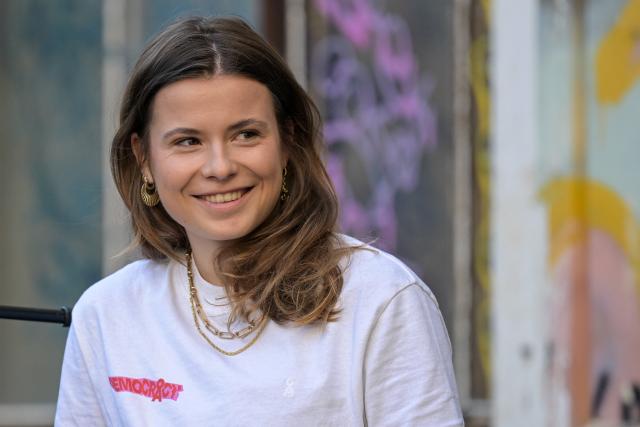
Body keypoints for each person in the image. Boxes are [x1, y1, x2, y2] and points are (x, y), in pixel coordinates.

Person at [55, 16, 463, 426]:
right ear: (144, 159)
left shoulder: (379, 299)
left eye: (246, 134)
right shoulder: (106, 316)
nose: (219, 167)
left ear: (287, 141)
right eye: (188, 141)